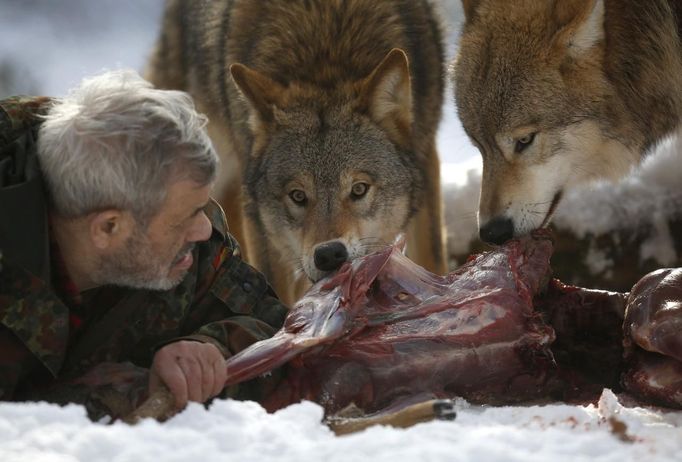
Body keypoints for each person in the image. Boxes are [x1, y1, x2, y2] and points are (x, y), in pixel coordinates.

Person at [0, 69, 288, 421]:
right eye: (188, 217)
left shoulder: (175, 223)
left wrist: (209, 347)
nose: (202, 230)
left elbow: (278, 327)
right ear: (108, 228)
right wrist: (93, 399)